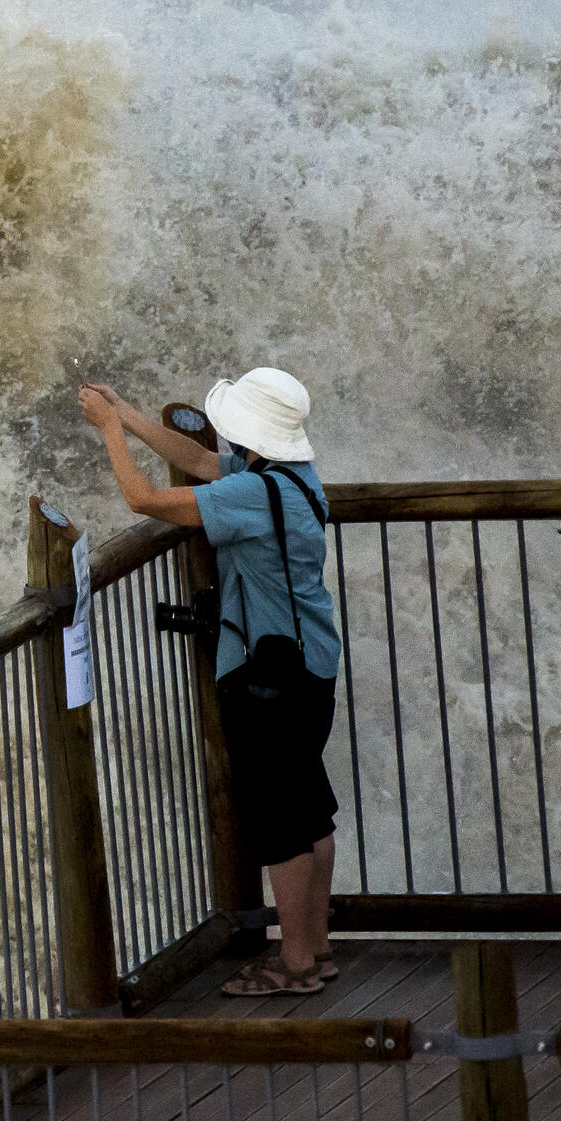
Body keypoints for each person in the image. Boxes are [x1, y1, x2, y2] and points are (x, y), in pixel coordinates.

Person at [79, 369, 340, 998]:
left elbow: (142, 498)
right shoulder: (295, 481)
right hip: (314, 662)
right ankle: (319, 946)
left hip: (268, 674)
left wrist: (110, 432)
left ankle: (295, 963)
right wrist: (131, 412)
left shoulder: (250, 495)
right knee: (311, 811)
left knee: (280, 821)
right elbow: (198, 458)